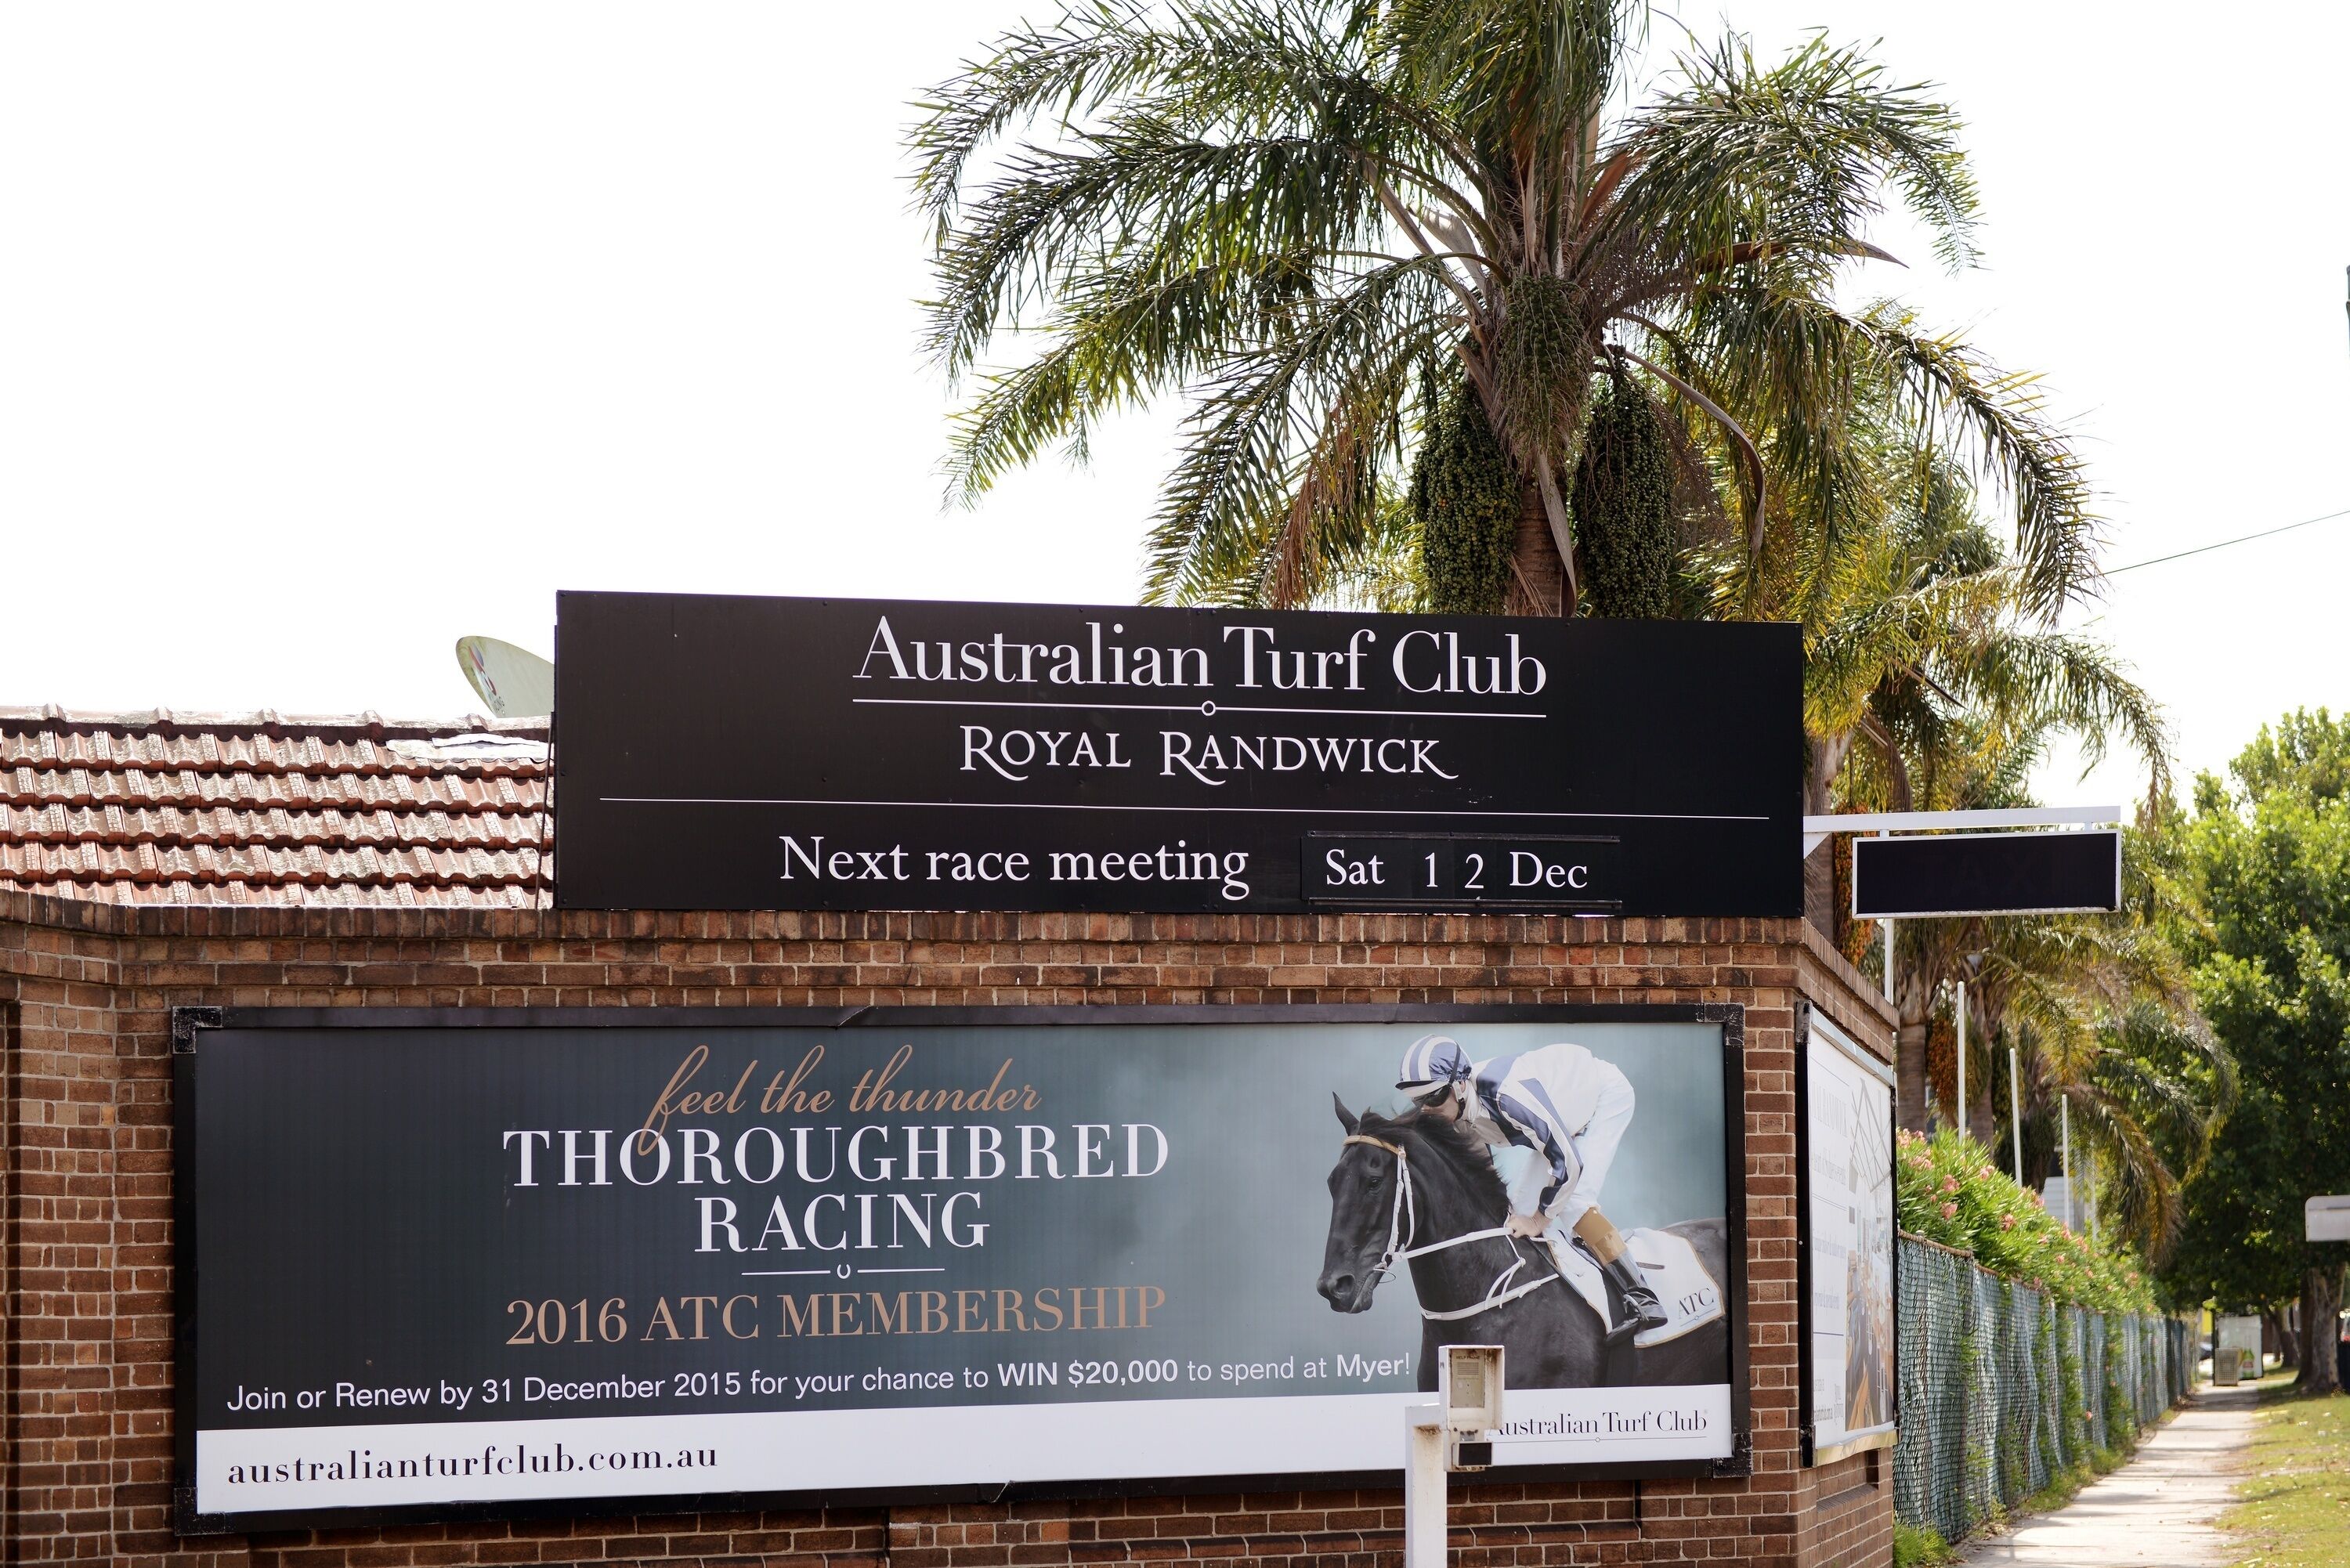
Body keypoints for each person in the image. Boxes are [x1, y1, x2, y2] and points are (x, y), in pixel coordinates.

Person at [1396, 1034, 1667, 1343]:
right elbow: (1483, 1174)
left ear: (1459, 1085)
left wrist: (1540, 1220)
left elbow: (1568, 1163)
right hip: (1560, 1116)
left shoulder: (1505, 1097)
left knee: (1573, 1200)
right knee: (1518, 1214)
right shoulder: (1456, 1108)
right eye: (1419, 1101)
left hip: (1602, 1098)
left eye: (1432, 1098)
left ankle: (1643, 1297)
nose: (1426, 1109)